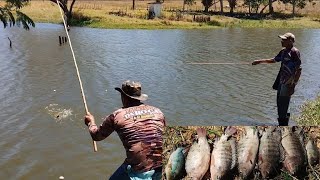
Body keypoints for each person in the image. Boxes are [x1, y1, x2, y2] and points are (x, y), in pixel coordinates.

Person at [84, 80, 166, 179]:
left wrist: (90, 122)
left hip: (139, 169)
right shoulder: (158, 112)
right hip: (163, 165)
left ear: (124, 97)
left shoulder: (117, 116)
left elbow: (96, 136)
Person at [252, 32, 302, 126]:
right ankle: (283, 124)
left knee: (283, 106)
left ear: (290, 41)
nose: (281, 41)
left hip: (288, 83)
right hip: (281, 82)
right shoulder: (283, 51)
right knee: (279, 105)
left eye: (284, 39)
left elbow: (299, 69)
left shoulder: (294, 52)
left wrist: (293, 85)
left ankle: (283, 126)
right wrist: (259, 61)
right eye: (282, 39)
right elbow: (274, 60)